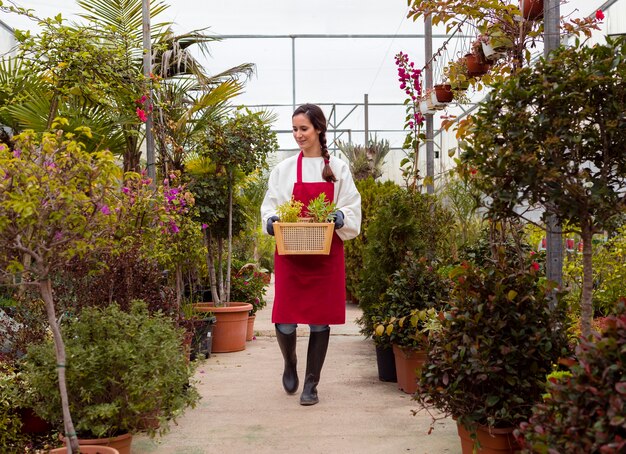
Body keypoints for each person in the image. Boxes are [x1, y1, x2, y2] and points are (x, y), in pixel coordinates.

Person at [261, 103, 361, 406]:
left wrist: (341, 217)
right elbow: (271, 204)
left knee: (319, 321)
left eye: (303, 128)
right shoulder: (285, 169)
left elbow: (351, 204)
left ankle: (311, 384)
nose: (298, 135)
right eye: (294, 129)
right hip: (291, 254)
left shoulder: (338, 168)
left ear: (319, 129)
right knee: (284, 320)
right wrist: (270, 220)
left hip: (326, 256)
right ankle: (290, 363)